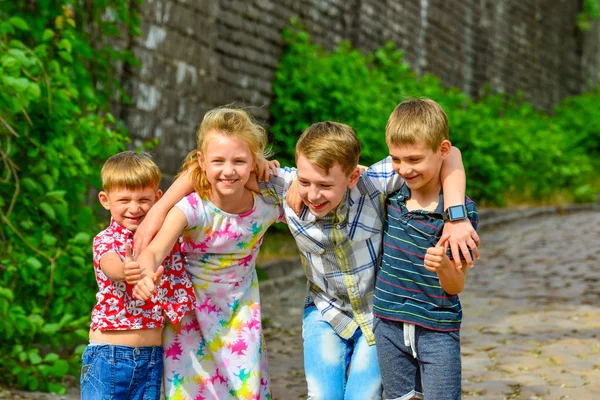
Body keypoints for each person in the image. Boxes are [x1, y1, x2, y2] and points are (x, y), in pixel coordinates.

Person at [135, 117, 479, 399]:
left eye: (326, 186)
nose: (313, 195)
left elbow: (448, 153)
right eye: (306, 181)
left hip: (377, 316)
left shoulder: (373, 183)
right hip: (325, 313)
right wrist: (159, 211)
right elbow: (211, 167)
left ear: (352, 176)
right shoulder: (284, 185)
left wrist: (457, 215)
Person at [133, 107, 285, 399]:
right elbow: (155, 249)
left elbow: (305, 195)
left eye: (239, 161)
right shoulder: (192, 207)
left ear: (254, 161)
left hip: (240, 315)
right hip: (190, 317)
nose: (228, 171)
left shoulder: (266, 205)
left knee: (246, 389)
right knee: (190, 392)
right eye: (218, 161)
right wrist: (147, 272)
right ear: (201, 161)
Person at [373, 99, 479, 400]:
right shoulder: (391, 197)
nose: (404, 169)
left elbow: (456, 284)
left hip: (437, 330)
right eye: (396, 159)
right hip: (387, 323)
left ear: (442, 151)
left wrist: (444, 265)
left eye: (414, 159)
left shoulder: (460, 214)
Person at [81, 151, 195, 399]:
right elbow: (108, 263)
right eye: (124, 200)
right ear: (105, 200)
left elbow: (198, 176)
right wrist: (124, 270)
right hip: (109, 356)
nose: (134, 208)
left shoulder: (164, 238)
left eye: (144, 199)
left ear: (158, 198)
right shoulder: (107, 239)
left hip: (151, 359)